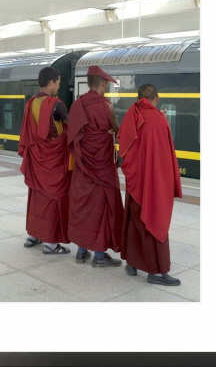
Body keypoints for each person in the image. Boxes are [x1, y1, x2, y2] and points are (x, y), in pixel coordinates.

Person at [118, 84, 183, 285]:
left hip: (135, 182)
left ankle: (132, 263)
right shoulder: (160, 121)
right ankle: (157, 272)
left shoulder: (131, 113)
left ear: (139, 98)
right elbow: (165, 157)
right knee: (155, 220)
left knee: (134, 222)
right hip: (152, 184)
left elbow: (124, 144)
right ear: (156, 98)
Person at [67, 65, 124, 267]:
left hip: (83, 169)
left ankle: (82, 252)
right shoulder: (106, 106)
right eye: (106, 85)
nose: (106, 88)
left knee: (84, 209)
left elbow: (72, 138)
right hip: (102, 169)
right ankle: (99, 256)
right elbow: (117, 131)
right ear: (102, 84)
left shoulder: (77, 105)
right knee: (101, 209)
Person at [18, 67, 71, 255]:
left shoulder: (31, 103)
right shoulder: (56, 104)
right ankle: (51, 243)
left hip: (37, 160)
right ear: (51, 83)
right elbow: (71, 127)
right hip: (54, 162)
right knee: (54, 199)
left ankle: (33, 234)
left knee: (37, 198)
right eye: (57, 82)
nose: (58, 86)